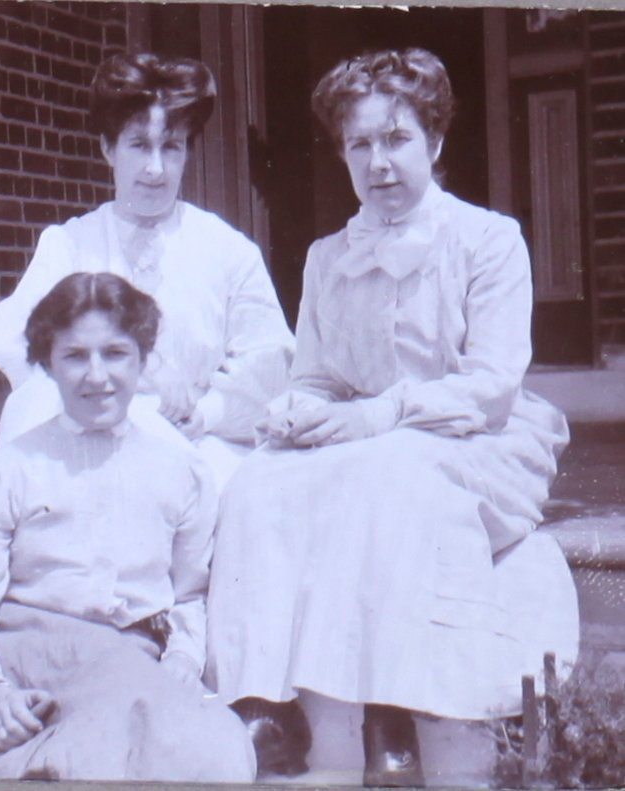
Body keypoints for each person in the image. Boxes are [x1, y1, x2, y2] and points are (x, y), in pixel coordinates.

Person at [205, 48, 579, 785]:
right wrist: (299, 413)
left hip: (480, 438)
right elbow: (315, 374)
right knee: (258, 479)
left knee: (390, 472)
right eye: (359, 144)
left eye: (396, 139)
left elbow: (493, 384)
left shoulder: (487, 240)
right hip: (364, 439)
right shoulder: (324, 257)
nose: (378, 163)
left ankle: (390, 716)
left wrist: (378, 417)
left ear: (434, 142)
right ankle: (261, 704)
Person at [0, 51, 293, 637]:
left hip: (188, 441)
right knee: (30, 420)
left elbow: (270, 363)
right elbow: (12, 338)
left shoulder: (227, 252)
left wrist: (202, 409)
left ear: (187, 153)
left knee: (232, 496)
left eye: (170, 147)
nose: (154, 168)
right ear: (107, 150)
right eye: (137, 146)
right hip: (81, 430)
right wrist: (128, 382)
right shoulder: (71, 244)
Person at [0, 273, 256, 782]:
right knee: (106, 756)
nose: (96, 376)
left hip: (129, 663)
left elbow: (188, 595)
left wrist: (184, 660)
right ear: (47, 365)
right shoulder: (7, 471)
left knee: (220, 754)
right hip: (24, 668)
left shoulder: (180, 471)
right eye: (75, 356)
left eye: (115, 353)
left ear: (143, 360)